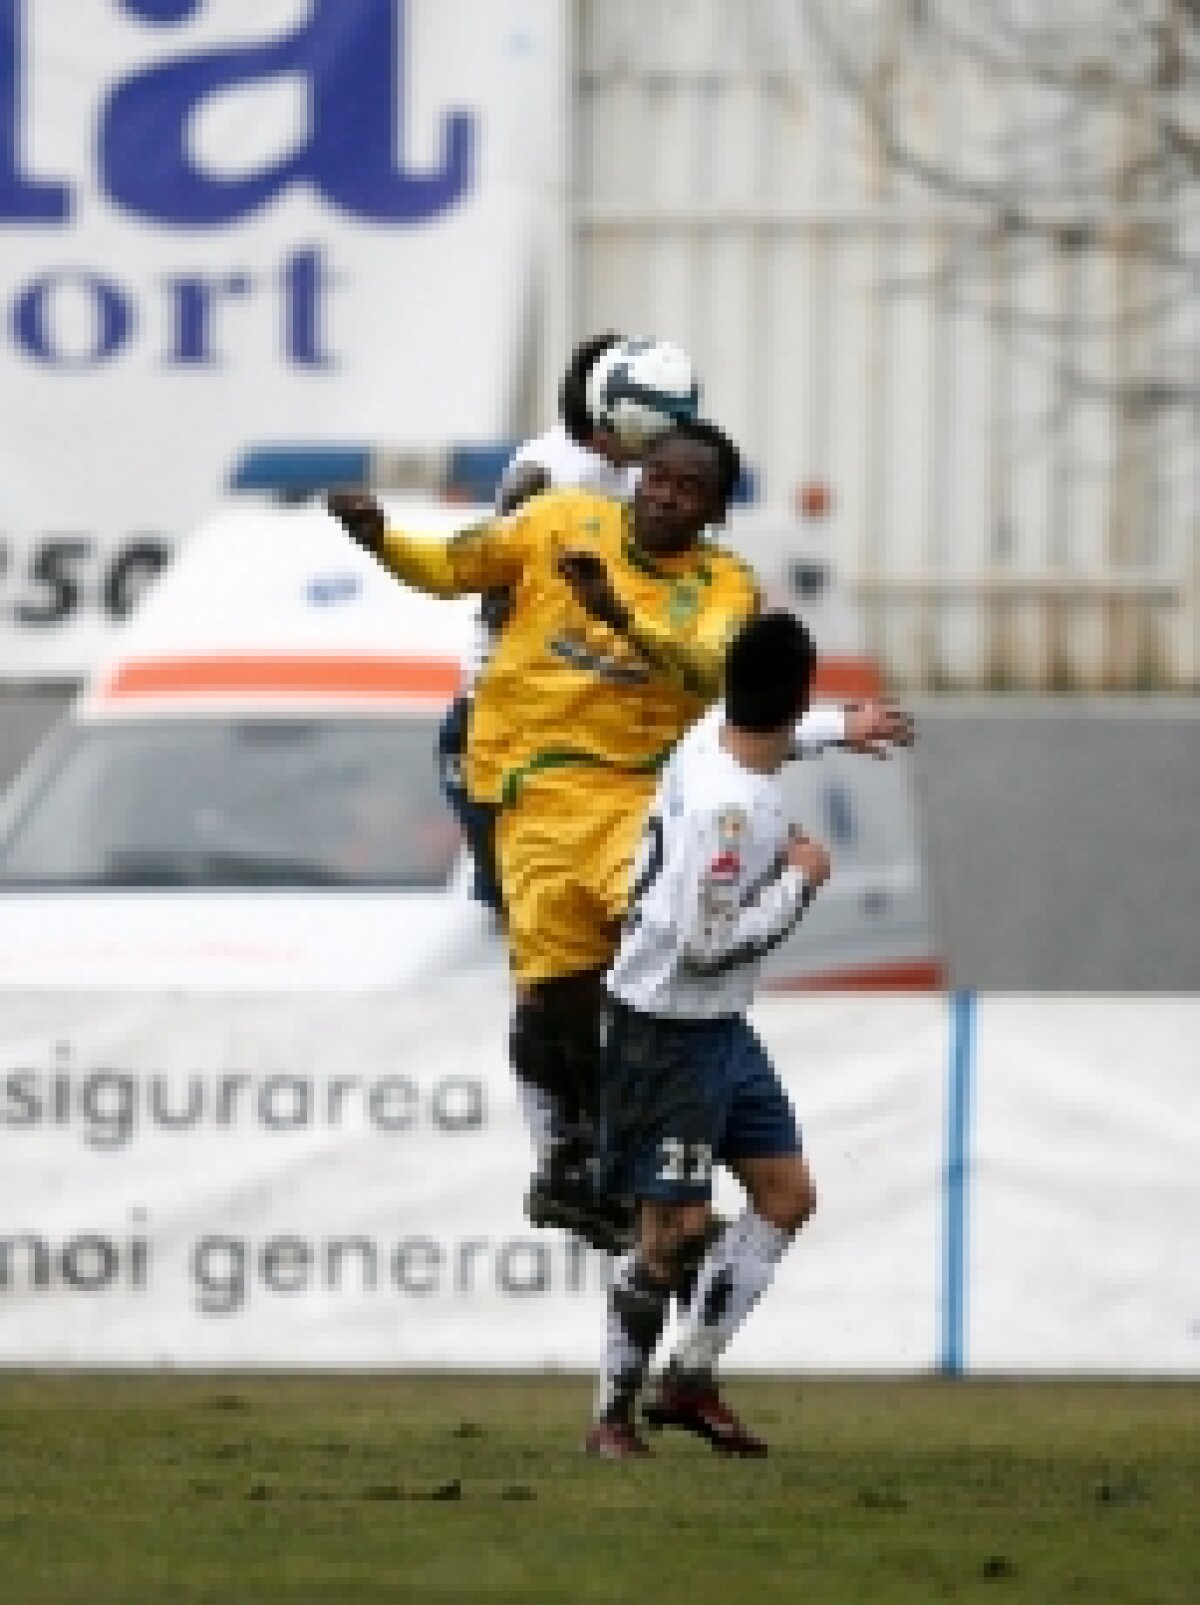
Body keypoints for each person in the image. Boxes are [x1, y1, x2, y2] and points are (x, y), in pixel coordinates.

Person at [326, 426, 909, 1253]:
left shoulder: (724, 586)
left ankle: (655, 1165)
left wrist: (616, 614)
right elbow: (454, 563)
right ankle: (570, 1160)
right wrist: (381, 538)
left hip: (644, 797)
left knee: (657, 960)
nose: (667, 494)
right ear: (637, 476)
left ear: (713, 511)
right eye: (659, 477)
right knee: (551, 995)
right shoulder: (558, 520)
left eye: (690, 488)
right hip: (530, 799)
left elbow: (710, 674)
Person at [585, 610, 830, 1461]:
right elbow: (704, 944)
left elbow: (776, 732)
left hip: (721, 1027)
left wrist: (842, 730)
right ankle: (611, 1415)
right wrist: (798, 884)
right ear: (802, 692)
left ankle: (688, 1377)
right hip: (664, 1030)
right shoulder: (734, 814)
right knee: (673, 1234)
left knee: (787, 1196)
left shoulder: (704, 740)